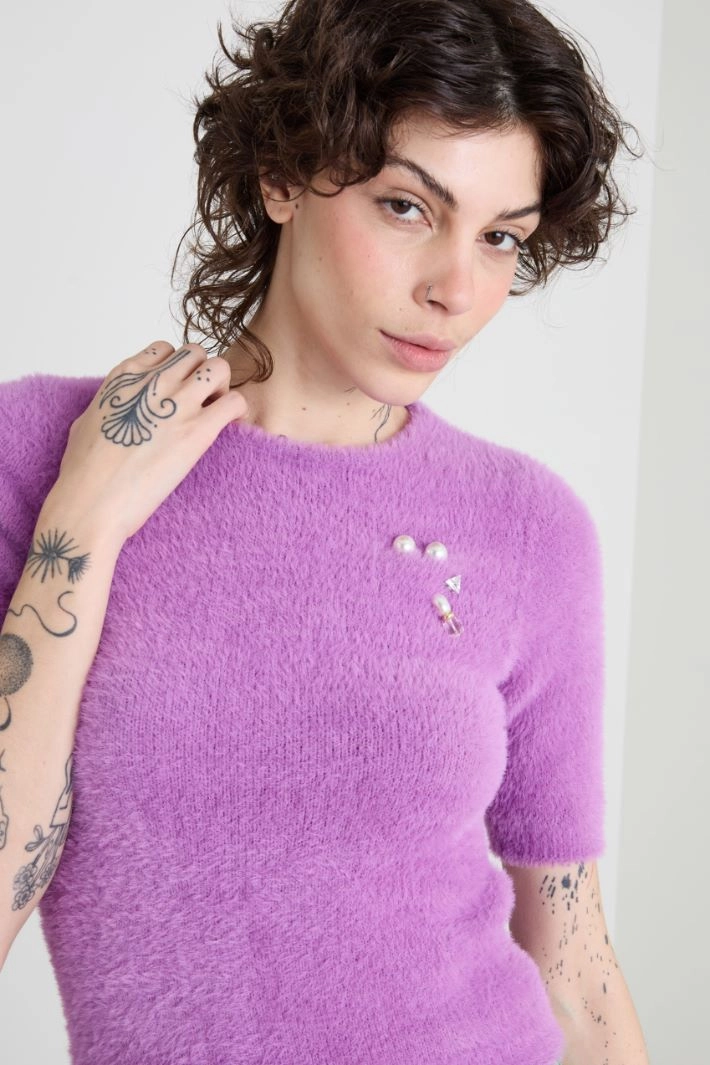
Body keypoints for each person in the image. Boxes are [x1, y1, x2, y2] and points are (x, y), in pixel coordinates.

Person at [0, 0, 650, 1062]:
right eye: (406, 206)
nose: (455, 289)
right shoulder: (41, 454)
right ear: (281, 175)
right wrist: (84, 520)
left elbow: (573, 960)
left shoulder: (529, 528)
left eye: (500, 237)